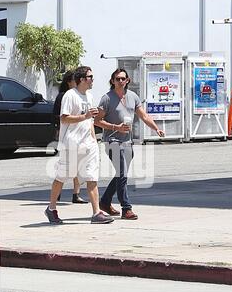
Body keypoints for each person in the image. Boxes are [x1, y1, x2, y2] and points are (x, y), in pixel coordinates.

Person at [45, 66, 114, 225]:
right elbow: (64, 118)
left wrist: (93, 138)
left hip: (88, 144)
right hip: (71, 143)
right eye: (90, 77)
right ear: (82, 79)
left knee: (91, 176)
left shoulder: (89, 96)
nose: (92, 80)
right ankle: (51, 208)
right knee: (62, 177)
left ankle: (96, 213)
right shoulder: (70, 95)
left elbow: (90, 120)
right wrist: (85, 116)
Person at [95, 68, 165, 220]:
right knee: (122, 173)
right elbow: (97, 121)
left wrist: (156, 129)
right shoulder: (106, 98)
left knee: (121, 174)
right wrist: (116, 127)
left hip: (127, 141)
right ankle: (126, 208)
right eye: (117, 79)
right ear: (112, 81)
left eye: (123, 79)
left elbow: (144, 116)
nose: (120, 81)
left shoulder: (133, 96)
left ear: (127, 80)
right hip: (111, 140)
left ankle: (105, 201)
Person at [53, 70, 88, 204]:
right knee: (64, 168)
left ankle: (76, 193)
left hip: (80, 137)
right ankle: (57, 193)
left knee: (78, 167)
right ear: (69, 82)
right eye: (75, 80)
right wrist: (57, 130)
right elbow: (58, 116)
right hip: (67, 137)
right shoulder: (64, 96)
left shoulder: (82, 96)